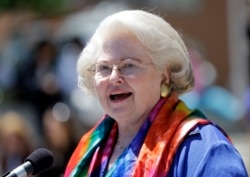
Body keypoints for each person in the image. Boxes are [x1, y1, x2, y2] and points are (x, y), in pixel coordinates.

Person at [64, 10, 249, 177]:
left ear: (165, 75)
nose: (114, 78)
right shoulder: (89, 148)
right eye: (103, 68)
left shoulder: (203, 148)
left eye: (129, 65)